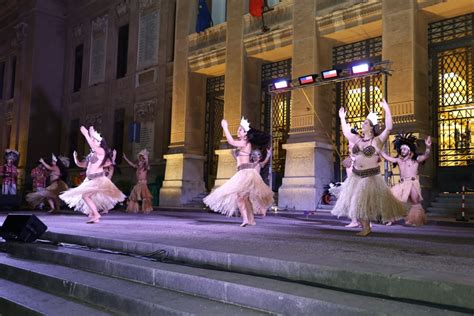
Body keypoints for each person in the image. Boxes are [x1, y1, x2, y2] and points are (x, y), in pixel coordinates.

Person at [331, 99, 406, 236]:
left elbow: (389, 127)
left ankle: (366, 228)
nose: (362, 125)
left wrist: (387, 109)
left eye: (365, 123)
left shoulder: (377, 140)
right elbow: (347, 133)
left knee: (362, 201)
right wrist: (342, 118)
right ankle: (365, 227)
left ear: (371, 127)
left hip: (370, 176)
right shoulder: (358, 140)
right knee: (356, 202)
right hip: (356, 175)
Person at [203, 117, 274, 227]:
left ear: (245, 134)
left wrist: (225, 127)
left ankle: (247, 219)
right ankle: (249, 220)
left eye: (241, 130)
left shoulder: (245, 143)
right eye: (238, 129)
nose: (238, 131)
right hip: (241, 173)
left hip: (247, 173)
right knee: (242, 198)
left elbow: (231, 141)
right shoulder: (243, 144)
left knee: (240, 197)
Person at [59, 126, 126, 223]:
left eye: (95, 140)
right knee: (86, 196)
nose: (93, 141)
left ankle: (96, 214)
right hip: (91, 180)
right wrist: (75, 158)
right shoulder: (93, 155)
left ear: (99, 143)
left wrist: (87, 134)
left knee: (85, 196)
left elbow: (93, 146)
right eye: (93, 140)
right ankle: (94, 214)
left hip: (98, 180)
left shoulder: (101, 151)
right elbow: (82, 164)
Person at [380, 133, 432, 226]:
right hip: (402, 184)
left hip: (412, 183)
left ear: (409, 150)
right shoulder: (399, 160)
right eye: (401, 149)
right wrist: (378, 148)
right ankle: (390, 219)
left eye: (404, 149)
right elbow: (386, 157)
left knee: (415, 202)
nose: (402, 151)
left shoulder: (415, 159)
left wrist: (428, 147)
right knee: (392, 197)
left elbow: (426, 155)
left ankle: (415, 220)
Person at [123, 149, 153, 214]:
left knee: (145, 196)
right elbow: (131, 164)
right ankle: (133, 208)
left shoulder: (146, 167)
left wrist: (146, 157)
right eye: (139, 160)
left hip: (143, 183)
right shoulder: (138, 168)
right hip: (139, 183)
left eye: (141, 160)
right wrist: (125, 158)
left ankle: (146, 208)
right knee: (134, 195)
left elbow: (147, 162)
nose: (139, 162)